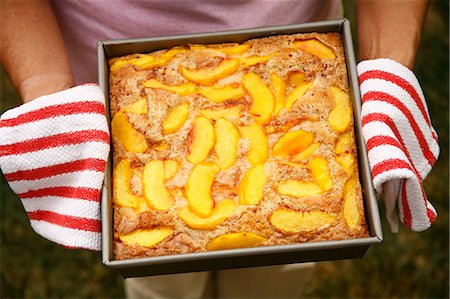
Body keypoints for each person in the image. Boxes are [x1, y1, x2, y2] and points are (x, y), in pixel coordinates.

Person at [0, 1, 431, 298]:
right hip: (107, 80)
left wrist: (386, 69)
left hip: (301, 40)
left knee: (276, 275)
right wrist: (47, 90)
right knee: (162, 283)